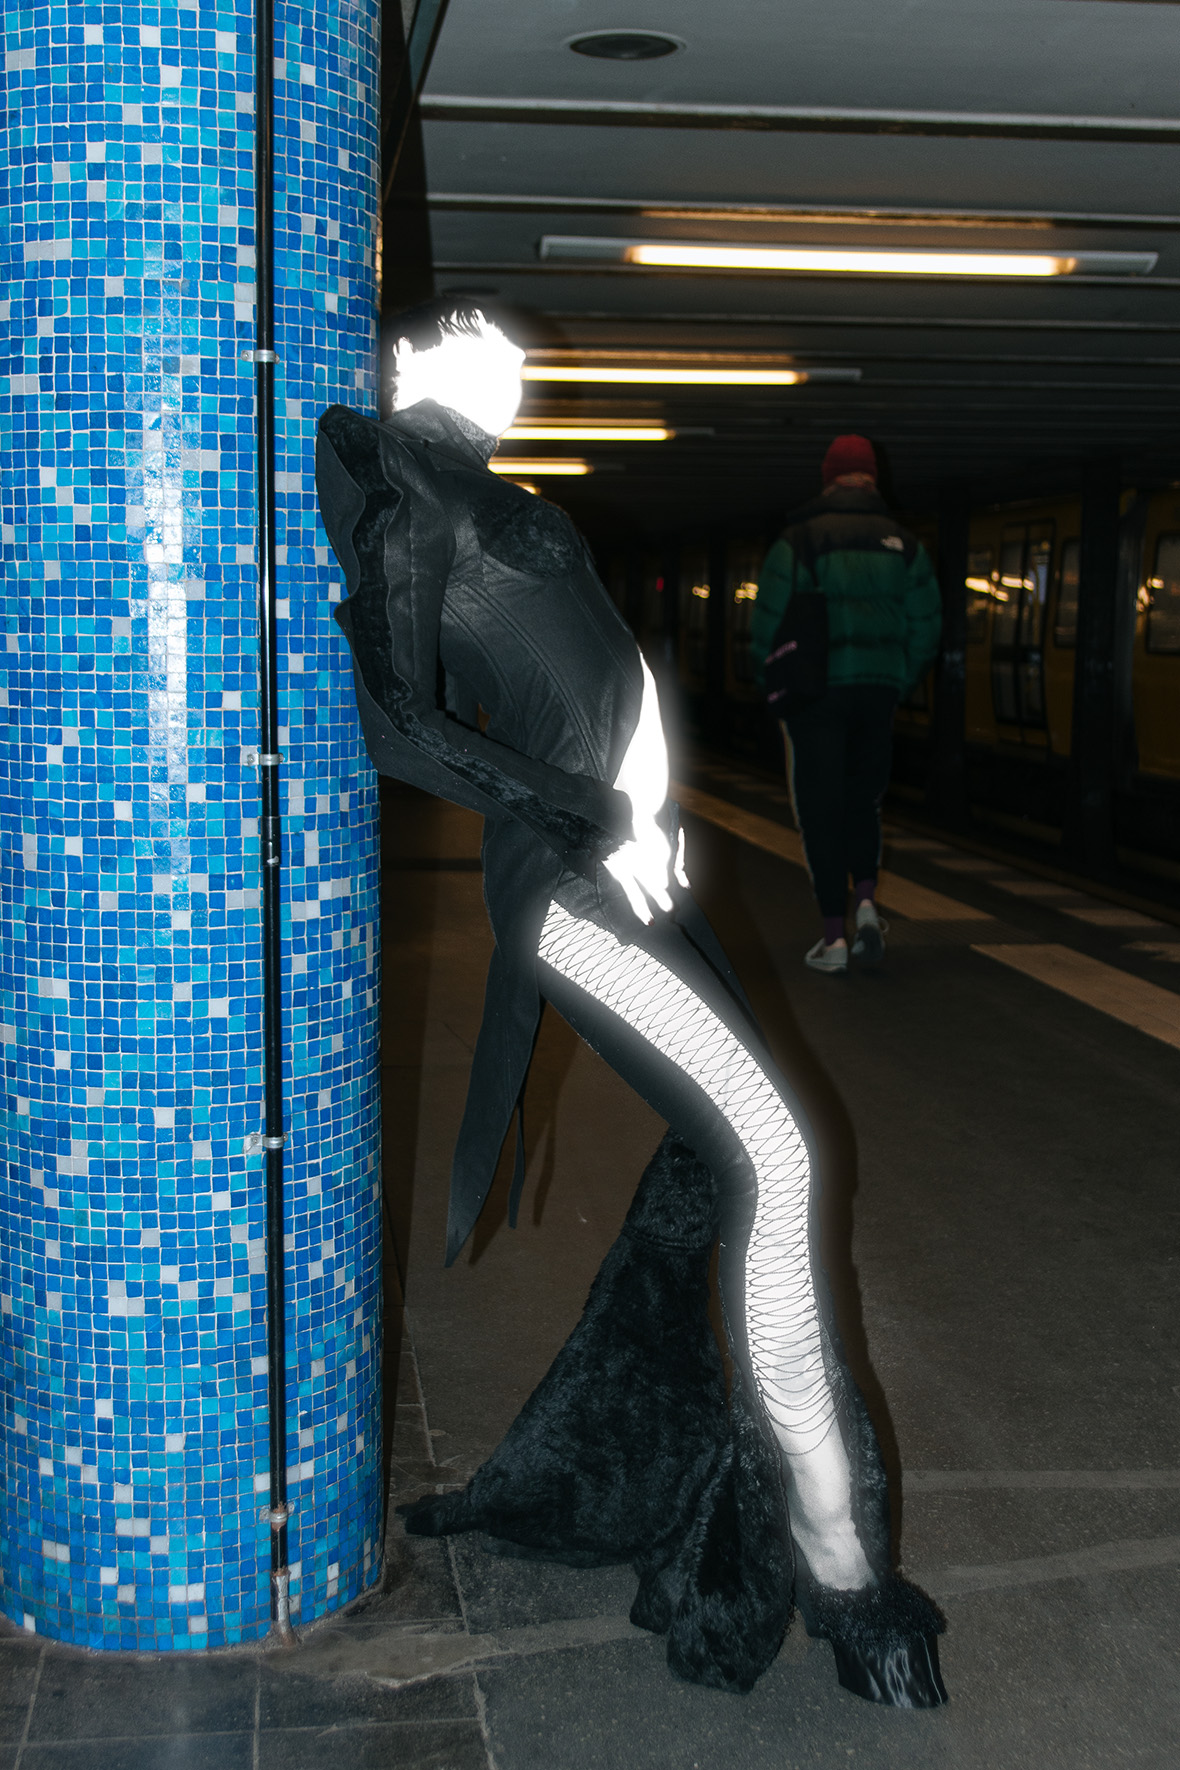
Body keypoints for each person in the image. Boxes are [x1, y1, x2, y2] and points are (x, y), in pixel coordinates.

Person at [315, 305, 945, 1705]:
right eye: (453, 326)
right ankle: (832, 1553)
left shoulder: (475, 481)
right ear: (401, 364)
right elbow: (396, 725)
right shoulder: (395, 470)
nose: (489, 329)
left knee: (746, 1158)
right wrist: (592, 810)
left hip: (627, 871)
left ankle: (662, 1468)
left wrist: (637, 814)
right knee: (774, 1159)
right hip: (569, 890)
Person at [752, 435, 942, 974]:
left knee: (820, 810)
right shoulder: (905, 545)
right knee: (863, 802)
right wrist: (896, 681)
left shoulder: (798, 541)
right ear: (872, 479)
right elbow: (927, 625)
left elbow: (766, 624)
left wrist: (771, 686)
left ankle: (834, 939)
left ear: (828, 478)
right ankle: (865, 904)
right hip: (876, 692)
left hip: (815, 695)